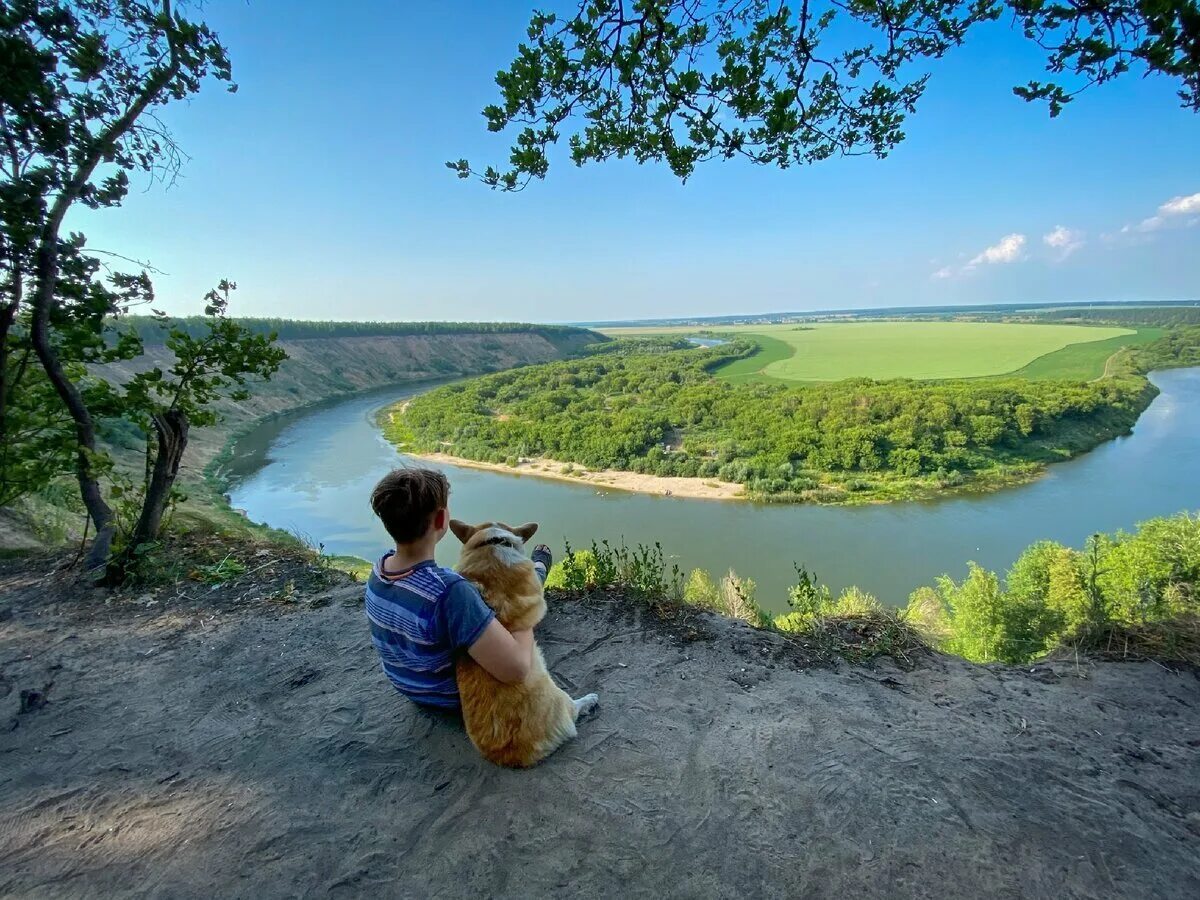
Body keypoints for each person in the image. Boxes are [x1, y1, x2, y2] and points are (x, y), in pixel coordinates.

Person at [363, 467, 553, 710]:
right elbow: (516, 670)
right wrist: (524, 611)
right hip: (457, 697)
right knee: (517, 598)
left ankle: (537, 569)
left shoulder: (379, 570)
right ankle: (537, 569)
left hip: (407, 686)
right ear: (442, 519)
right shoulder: (450, 592)